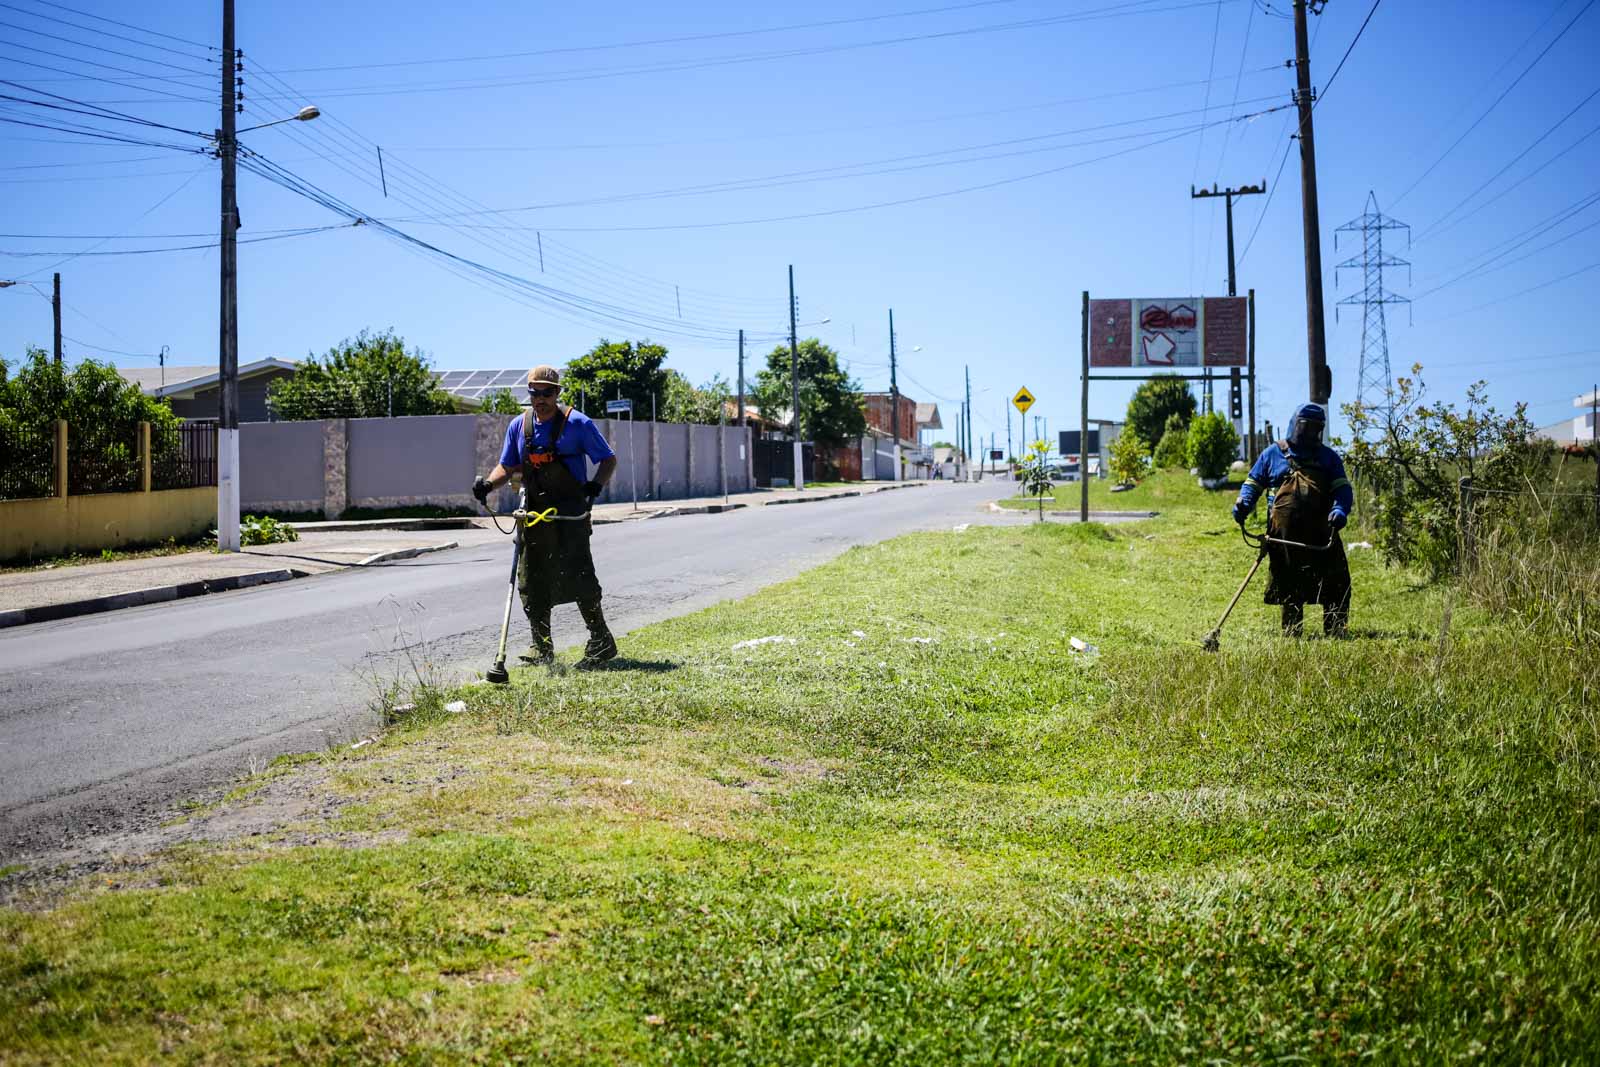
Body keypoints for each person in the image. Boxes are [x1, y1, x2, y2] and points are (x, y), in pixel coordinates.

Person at [473, 365, 619, 667]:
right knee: (531, 579)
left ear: (558, 393)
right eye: (535, 392)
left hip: (570, 513)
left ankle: (601, 640)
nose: (541, 398)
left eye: (547, 392)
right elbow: (508, 467)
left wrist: (595, 485)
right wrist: (488, 483)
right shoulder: (519, 426)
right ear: (529, 393)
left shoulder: (577, 423)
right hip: (534, 514)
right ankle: (542, 647)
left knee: (580, 575)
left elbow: (608, 459)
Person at [1230, 403, 1353, 637]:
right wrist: (1243, 504)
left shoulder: (1328, 458)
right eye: (1306, 428)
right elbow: (1252, 484)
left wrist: (1340, 509)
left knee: (1336, 582)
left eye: (1316, 429)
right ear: (1295, 425)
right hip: (1284, 537)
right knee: (1289, 583)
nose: (1310, 434)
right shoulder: (1272, 454)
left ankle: (1336, 630)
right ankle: (1292, 631)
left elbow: (1342, 490)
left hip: (1321, 534)